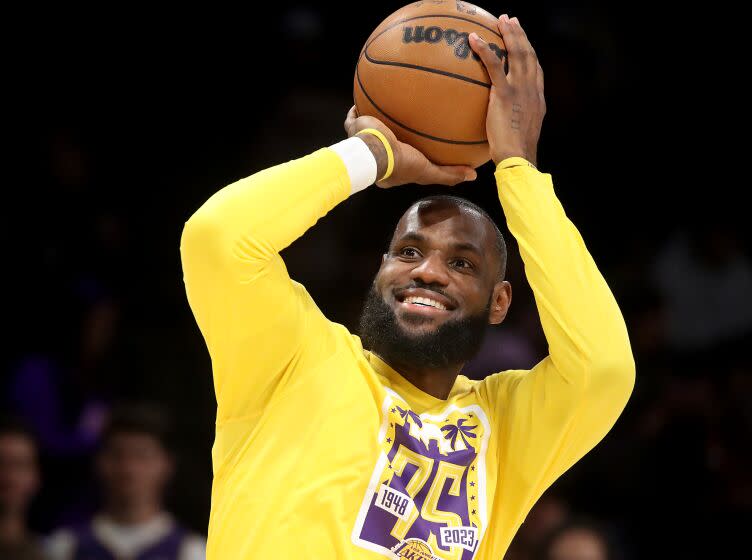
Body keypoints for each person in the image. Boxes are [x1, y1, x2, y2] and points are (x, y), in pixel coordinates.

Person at [180, 14, 634, 560]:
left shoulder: (506, 427)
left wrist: (518, 170)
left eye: (463, 264)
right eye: (410, 251)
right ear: (380, 270)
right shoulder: (296, 357)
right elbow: (217, 238)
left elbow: (604, 368)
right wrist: (372, 154)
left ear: (500, 302)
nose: (428, 271)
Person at [45, 403, 206, 560]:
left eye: (142, 456)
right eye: (117, 455)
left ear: (167, 464)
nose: (128, 469)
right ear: (99, 462)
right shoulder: (64, 547)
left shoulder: (193, 551)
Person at [0, 417, 45, 560]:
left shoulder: (54, 552)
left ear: (36, 478)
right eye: (0, 464)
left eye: (19, 465)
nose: (9, 477)